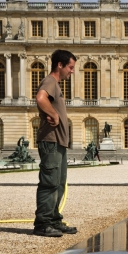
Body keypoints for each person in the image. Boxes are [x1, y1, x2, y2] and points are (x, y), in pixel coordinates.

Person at [33, 50, 77, 237]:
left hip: (57, 142)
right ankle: (43, 224)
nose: (72, 71)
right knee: (49, 183)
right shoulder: (50, 81)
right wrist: (53, 114)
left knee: (59, 183)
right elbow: (40, 98)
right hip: (50, 141)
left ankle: (54, 219)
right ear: (60, 65)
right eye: (70, 67)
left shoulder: (56, 85)